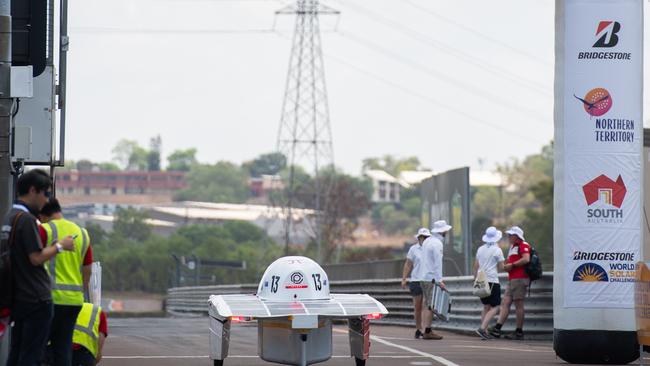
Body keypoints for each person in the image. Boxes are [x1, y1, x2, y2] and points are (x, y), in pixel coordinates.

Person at [7, 170, 75, 366]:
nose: (47, 200)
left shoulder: (9, 217)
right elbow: (35, 258)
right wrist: (60, 246)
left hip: (19, 296)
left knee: (17, 353)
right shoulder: (27, 220)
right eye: (46, 193)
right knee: (31, 355)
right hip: (37, 298)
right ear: (32, 190)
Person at [40, 198, 93, 366]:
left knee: (37, 348)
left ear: (43, 213)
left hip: (49, 300)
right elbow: (87, 268)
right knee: (63, 351)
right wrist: (81, 292)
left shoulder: (44, 230)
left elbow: (34, 259)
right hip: (74, 302)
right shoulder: (82, 233)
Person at [488, 226, 530, 340]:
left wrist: (512, 265)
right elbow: (510, 262)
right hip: (512, 279)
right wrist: (507, 266)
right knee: (505, 303)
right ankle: (497, 328)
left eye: (511, 235)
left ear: (517, 236)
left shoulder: (523, 245)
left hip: (520, 279)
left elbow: (526, 259)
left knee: (518, 305)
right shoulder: (513, 247)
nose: (509, 237)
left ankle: (519, 331)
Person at [419, 220, 452, 340]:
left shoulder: (427, 241)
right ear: (443, 232)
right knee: (430, 305)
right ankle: (427, 331)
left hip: (423, 276)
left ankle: (424, 329)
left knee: (426, 304)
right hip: (431, 277)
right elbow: (438, 263)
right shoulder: (437, 244)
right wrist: (440, 280)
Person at [473, 226, 505, 340]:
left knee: (486, 306)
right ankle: (482, 328)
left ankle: (484, 331)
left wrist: (475, 278)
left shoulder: (480, 249)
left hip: (481, 279)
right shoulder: (497, 250)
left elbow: (476, 265)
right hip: (492, 280)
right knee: (496, 307)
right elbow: (502, 267)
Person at [401, 228, 431, 339]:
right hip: (416, 280)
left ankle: (425, 329)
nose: (425, 239)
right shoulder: (413, 249)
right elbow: (408, 264)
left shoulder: (431, 249)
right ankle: (418, 328)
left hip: (428, 280)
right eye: (423, 237)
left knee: (425, 305)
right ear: (419, 238)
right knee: (417, 307)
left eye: (427, 237)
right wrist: (404, 278)